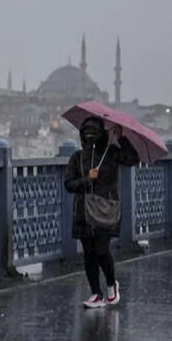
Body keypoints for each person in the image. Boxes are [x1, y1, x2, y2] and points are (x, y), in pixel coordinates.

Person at [63, 118, 141, 307]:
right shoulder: (77, 157)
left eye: (93, 132)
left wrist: (122, 138)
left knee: (101, 250)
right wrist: (86, 180)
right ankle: (96, 293)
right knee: (89, 253)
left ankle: (111, 283)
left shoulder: (111, 153)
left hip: (105, 210)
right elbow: (69, 184)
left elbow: (132, 159)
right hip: (83, 211)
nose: (90, 137)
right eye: (87, 133)